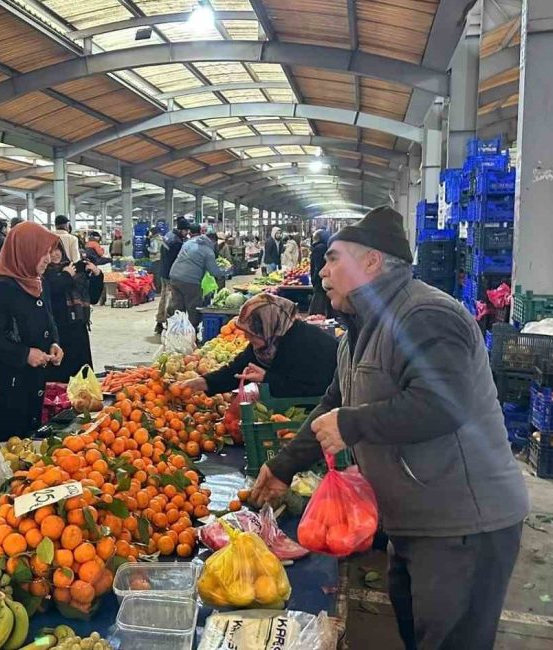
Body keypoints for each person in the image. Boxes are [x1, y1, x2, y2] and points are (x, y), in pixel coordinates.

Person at [250, 206, 529, 650]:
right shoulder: (359, 329)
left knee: (450, 641)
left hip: (462, 524)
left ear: (371, 261)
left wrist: (352, 424)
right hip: (412, 518)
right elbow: (334, 401)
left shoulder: (427, 316)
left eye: (333, 259)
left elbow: (444, 404)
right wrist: (284, 465)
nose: (322, 271)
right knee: (416, 634)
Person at [0, 222, 63, 439]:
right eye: (43, 252)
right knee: (11, 443)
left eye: (49, 252)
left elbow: (48, 319)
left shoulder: (36, 282)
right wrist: (25, 354)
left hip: (33, 381)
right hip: (8, 387)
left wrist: (53, 342)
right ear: (25, 251)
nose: (48, 259)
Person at [175, 293, 336, 398]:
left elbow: (312, 390)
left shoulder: (307, 344)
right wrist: (204, 382)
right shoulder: (268, 343)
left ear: (267, 326)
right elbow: (237, 370)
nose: (246, 337)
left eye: (251, 334)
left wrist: (267, 379)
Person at [43, 242, 104, 382]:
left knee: (82, 378)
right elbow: (54, 289)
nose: (54, 254)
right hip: (57, 335)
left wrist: (97, 274)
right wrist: (66, 275)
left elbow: (93, 297)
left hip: (78, 331)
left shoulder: (74, 270)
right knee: (60, 381)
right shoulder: (44, 274)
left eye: (57, 250)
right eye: (49, 251)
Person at [169, 232, 227, 330]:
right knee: (193, 308)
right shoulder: (208, 251)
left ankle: (176, 331)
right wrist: (226, 271)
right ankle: (192, 331)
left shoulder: (189, 242)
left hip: (174, 277)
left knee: (177, 307)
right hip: (191, 281)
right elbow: (214, 272)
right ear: (214, 242)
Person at [155, 217, 191, 334]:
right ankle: (169, 323)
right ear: (181, 229)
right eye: (186, 230)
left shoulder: (168, 235)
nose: (187, 233)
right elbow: (179, 260)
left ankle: (159, 322)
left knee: (163, 297)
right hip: (171, 274)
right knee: (170, 300)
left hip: (163, 271)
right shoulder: (176, 242)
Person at [308, 229, 331, 317]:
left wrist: (314, 279)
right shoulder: (327, 246)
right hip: (325, 280)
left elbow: (318, 266)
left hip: (319, 281)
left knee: (317, 307)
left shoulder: (319, 248)